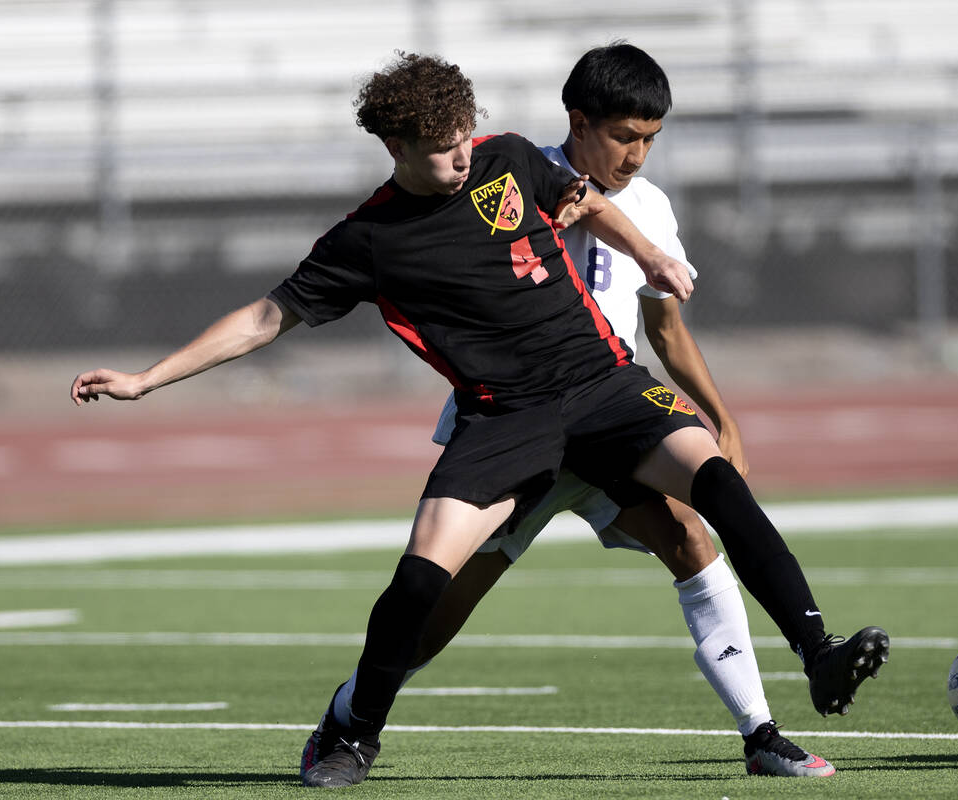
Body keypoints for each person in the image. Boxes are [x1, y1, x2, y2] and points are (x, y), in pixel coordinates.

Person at [70, 52, 888, 789]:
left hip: (604, 385)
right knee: (421, 586)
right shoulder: (367, 239)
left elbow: (589, 201)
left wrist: (651, 256)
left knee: (711, 487)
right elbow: (262, 318)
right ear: (394, 148)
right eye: (442, 147)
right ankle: (354, 729)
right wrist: (147, 379)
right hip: (505, 420)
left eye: (465, 136)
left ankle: (816, 660)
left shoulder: (507, 158)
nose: (462, 156)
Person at [309, 43, 858, 780]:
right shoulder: (508, 171)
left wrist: (720, 417)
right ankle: (351, 715)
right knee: (443, 605)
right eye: (625, 137)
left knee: (691, 539)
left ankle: (762, 734)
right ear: (580, 122)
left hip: (610, 415)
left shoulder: (652, 206)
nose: (636, 156)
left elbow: (664, 328)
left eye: (650, 140)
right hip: (515, 424)